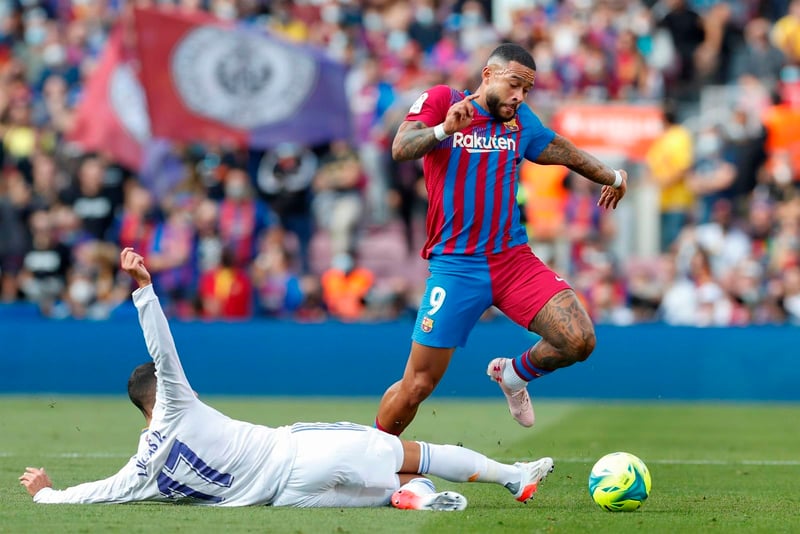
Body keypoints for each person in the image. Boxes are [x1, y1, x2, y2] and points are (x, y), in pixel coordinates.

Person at [18, 247, 554, 509]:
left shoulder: (142, 471)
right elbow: (163, 347)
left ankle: (412, 497)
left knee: (387, 490)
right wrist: (142, 288)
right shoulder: (177, 403)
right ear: (162, 392)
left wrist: (46, 495)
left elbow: (96, 493)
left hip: (286, 497)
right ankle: (513, 475)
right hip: (294, 454)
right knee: (412, 453)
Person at [374, 43, 628, 436]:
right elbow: (400, 147)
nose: (519, 97)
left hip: (513, 262)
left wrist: (612, 176)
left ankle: (513, 375)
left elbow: (563, 151)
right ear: (488, 75)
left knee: (578, 340)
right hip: (457, 267)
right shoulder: (444, 100)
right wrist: (444, 130)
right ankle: (371, 454)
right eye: (514, 85)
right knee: (418, 385)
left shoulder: (520, 122)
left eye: (526, 90)